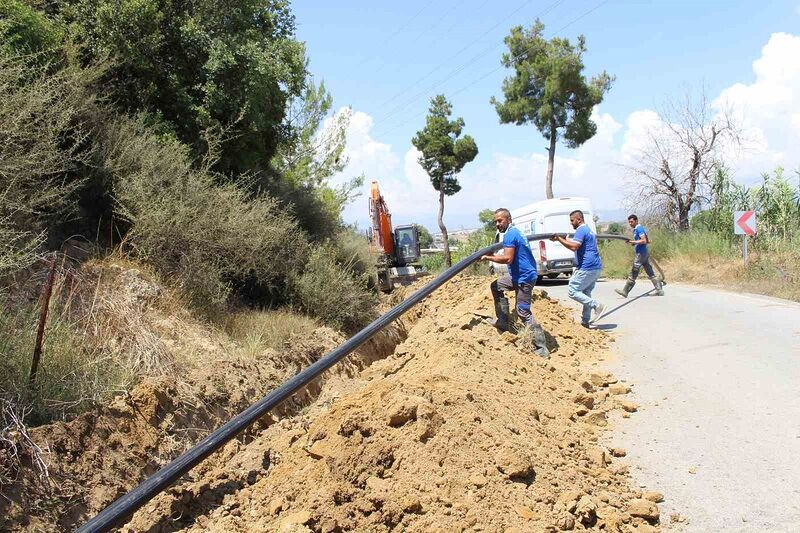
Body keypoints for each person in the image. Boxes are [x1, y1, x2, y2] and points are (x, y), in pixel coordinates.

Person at [479, 208, 549, 357]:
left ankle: (541, 347)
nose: (498, 224)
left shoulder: (510, 234)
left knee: (522, 311)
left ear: (509, 220)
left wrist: (488, 258)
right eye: (496, 221)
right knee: (496, 286)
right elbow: (508, 254)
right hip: (518, 276)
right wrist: (493, 254)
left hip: (524, 277)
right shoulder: (514, 232)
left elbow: (507, 258)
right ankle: (502, 322)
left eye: (500, 220)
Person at [551, 210, 606, 327]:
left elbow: (574, 246)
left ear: (579, 219)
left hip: (587, 267)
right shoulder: (588, 230)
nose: (571, 223)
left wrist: (559, 239)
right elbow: (579, 244)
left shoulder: (581, 230)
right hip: (596, 267)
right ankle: (585, 321)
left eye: (572, 220)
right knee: (586, 292)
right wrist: (566, 240)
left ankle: (597, 306)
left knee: (572, 290)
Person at [615, 214, 664, 297]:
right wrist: (636, 243)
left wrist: (632, 242)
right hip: (644, 253)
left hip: (640, 254)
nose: (630, 223)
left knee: (634, 272)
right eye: (629, 222)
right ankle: (659, 290)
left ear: (636, 221)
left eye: (632, 222)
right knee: (650, 272)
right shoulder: (637, 229)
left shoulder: (639, 228)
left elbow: (643, 240)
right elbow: (646, 239)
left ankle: (625, 291)